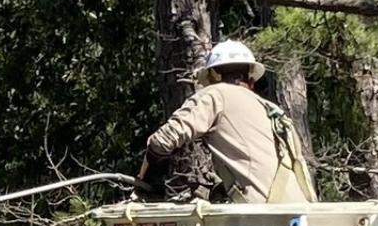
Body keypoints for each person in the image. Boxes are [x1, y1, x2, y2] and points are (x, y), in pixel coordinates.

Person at [135, 40, 315, 203]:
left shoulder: (215, 95)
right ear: (250, 79)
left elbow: (162, 140)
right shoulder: (269, 108)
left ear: (213, 76)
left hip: (262, 218)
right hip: (297, 212)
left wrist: (144, 187)